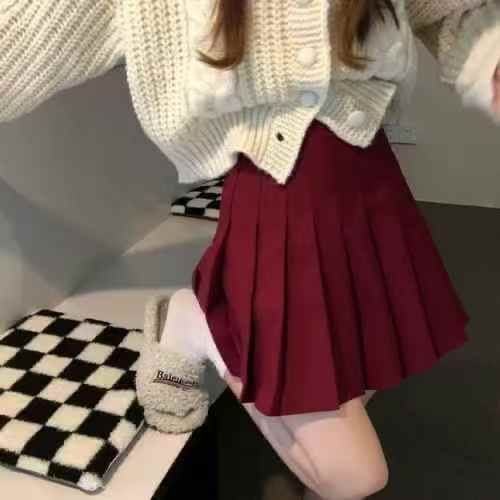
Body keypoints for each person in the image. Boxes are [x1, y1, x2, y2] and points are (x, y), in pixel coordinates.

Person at [2, 1, 500, 499]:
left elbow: (445, 11)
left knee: (357, 371)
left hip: (370, 182)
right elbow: (26, 39)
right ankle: (206, 325)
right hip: (283, 194)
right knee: (356, 476)